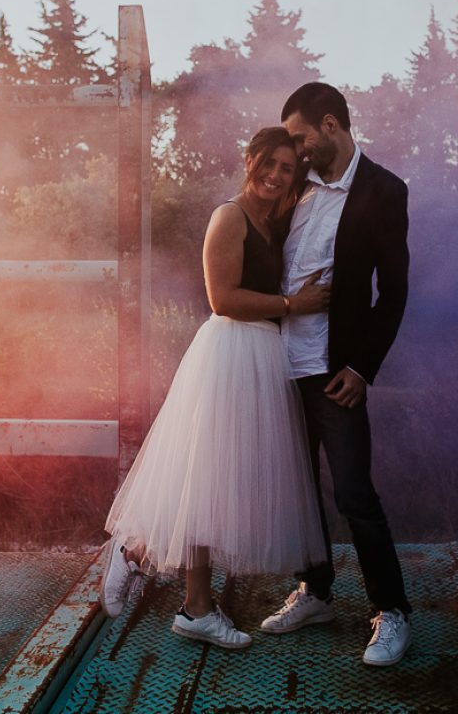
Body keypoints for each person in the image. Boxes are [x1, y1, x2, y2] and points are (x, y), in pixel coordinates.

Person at [100, 127, 329, 649]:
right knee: (207, 477)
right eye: (267, 163)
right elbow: (221, 299)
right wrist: (297, 305)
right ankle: (187, 601)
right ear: (249, 160)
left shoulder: (275, 222)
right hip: (230, 353)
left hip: (264, 356)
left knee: (226, 481)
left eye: (286, 168)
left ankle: (144, 560)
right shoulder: (229, 216)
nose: (274, 175)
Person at [260, 82, 412, 667]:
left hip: (334, 371)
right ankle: (316, 592)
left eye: (301, 138)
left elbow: (393, 292)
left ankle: (392, 610)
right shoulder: (292, 182)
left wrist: (361, 368)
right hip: (277, 362)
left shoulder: (384, 189)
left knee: (353, 493)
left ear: (330, 125)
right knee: (297, 490)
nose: (294, 152)